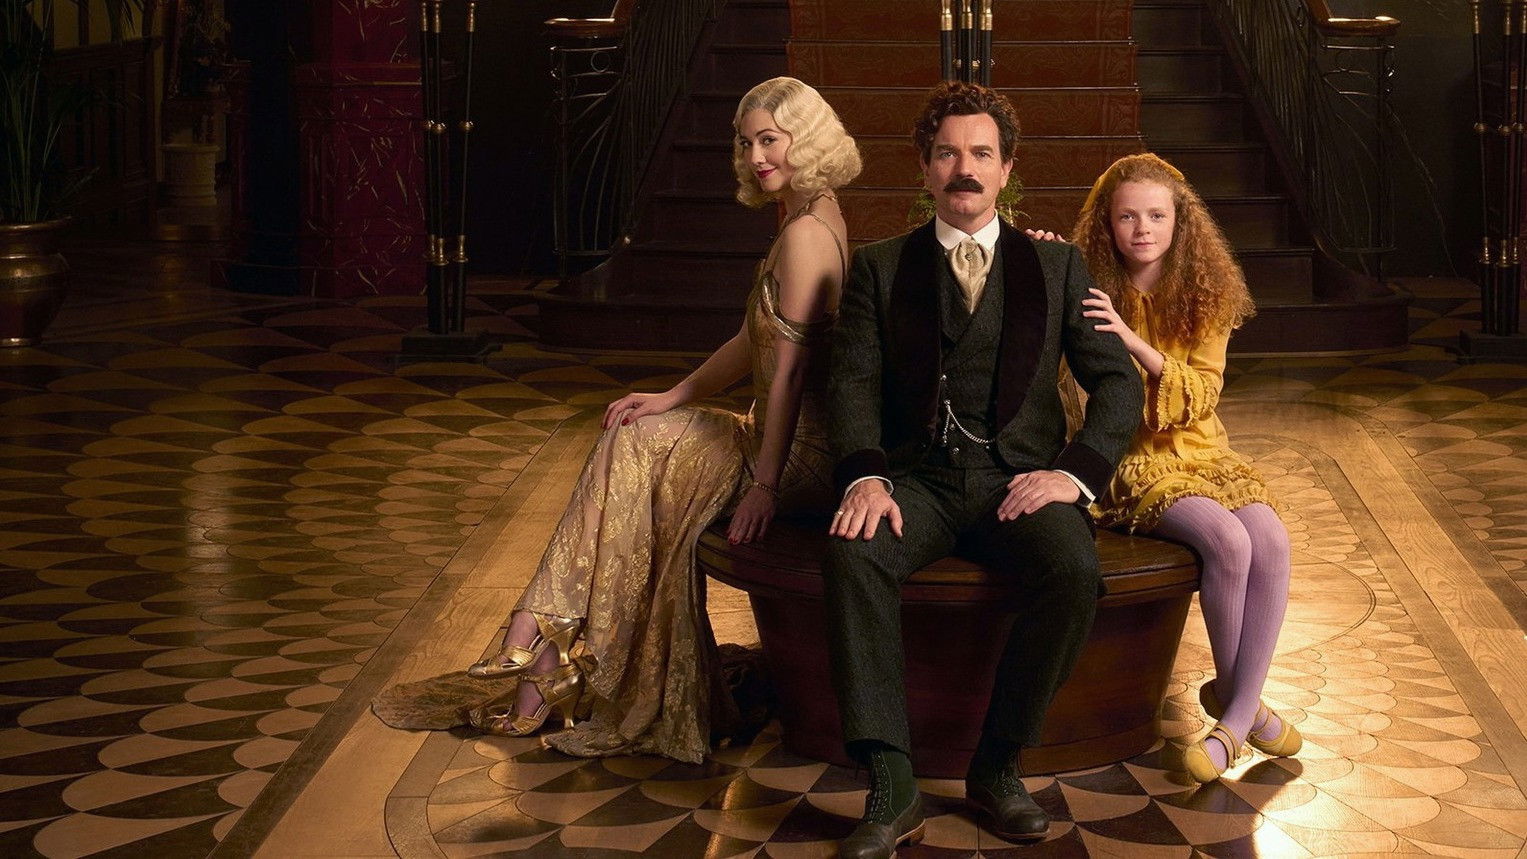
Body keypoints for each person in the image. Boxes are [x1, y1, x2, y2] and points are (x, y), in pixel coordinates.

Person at [461, 77, 860, 764]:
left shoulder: (805, 235)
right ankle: (542, 647)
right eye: (746, 142)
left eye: (770, 139)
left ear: (809, 138)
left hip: (797, 456)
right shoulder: (809, 215)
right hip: (775, 434)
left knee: (635, 449)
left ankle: (536, 641)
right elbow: (755, 340)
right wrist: (674, 394)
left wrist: (765, 485)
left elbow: (792, 372)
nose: (755, 157)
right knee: (632, 434)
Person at [823, 81, 1143, 856]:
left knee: (1072, 567)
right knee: (852, 551)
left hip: (1018, 483)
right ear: (924, 168)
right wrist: (865, 476)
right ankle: (892, 783)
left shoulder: (1057, 266)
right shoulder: (879, 266)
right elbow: (851, 385)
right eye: (946, 154)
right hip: (918, 483)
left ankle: (997, 765)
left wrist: (1072, 475)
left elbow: (1118, 383)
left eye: (979, 154)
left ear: (1006, 168)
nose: (962, 169)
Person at [1068, 152, 1300, 783]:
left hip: (1204, 447)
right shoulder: (1090, 283)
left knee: (1272, 539)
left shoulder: (1209, 292)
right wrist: (1044, 252)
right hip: (1131, 456)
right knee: (1227, 540)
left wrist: (1132, 341)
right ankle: (1242, 717)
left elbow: (1201, 395)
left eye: (1156, 215)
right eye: (1127, 217)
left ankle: (1235, 707)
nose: (1142, 229)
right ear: (1107, 224)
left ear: (1179, 222)